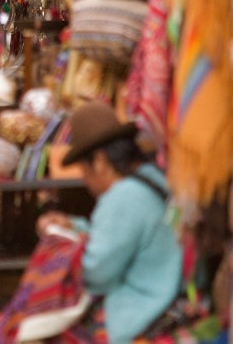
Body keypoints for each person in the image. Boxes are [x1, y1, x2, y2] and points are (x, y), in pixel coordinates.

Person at [34, 101, 183, 342]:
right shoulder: (151, 177)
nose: (85, 181)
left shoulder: (122, 197)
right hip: (169, 295)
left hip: (142, 311)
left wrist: (65, 253)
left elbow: (97, 275)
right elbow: (123, 237)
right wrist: (74, 226)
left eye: (84, 170)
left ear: (101, 161)